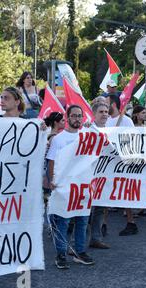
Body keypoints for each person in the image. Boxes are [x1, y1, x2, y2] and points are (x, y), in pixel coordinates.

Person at [47, 105, 95, 269]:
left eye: (80, 116)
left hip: (82, 185)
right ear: (67, 118)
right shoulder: (58, 139)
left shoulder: (86, 136)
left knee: (82, 220)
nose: (77, 119)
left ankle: (79, 252)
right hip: (65, 186)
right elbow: (51, 161)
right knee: (64, 221)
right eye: (74, 116)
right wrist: (52, 180)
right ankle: (61, 253)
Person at [105, 94, 139, 236]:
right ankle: (103, 224)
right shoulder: (105, 121)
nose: (104, 107)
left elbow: (133, 139)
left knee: (125, 192)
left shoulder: (126, 121)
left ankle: (131, 222)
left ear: (113, 105)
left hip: (123, 161)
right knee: (104, 191)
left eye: (106, 104)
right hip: (107, 161)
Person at [88, 102, 111, 249]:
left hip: (104, 175)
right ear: (94, 114)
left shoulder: (112, 130)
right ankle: (75, 242)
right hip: (88, 174)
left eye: (106, 112)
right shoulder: (87, 130)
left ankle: (95, 238)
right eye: (101, 112)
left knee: (100, 207)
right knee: (84, 209)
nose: (104, 114)